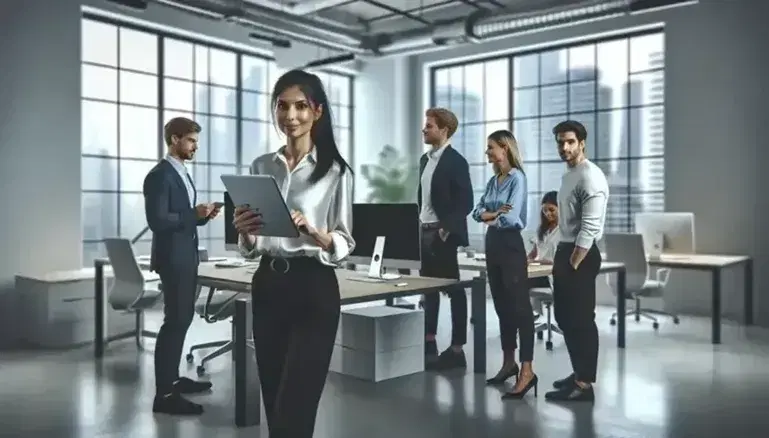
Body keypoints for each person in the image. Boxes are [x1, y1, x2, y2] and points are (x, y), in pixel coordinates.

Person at [232, 69, 354, 438]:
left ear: (317, 111)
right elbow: (252, 250)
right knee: (274, 400)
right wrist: (246, 233)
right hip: (268, 283)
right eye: (282, 106)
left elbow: (345, 241)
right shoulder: (260, 166)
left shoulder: (335, 171)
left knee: (296, 405)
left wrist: (319, 235)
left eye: (301, 106)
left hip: (313, 288)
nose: (291, 116)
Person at [143, 117, 222, 415]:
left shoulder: (182, 173)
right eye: (191, 140)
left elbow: (181, 217)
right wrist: (193, 213)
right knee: (175, 321)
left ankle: (173, 380)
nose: (195, 146)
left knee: (182, 319)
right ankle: (164, 395)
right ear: (174, 139)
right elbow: (158, 221)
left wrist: (202, 216)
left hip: (185, 255)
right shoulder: (159, 176)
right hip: (173, 258)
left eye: (196, 141)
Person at [544, 120, 609, 403]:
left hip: (580, 254)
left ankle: (584, 385)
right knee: (565, 318)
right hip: (567, 251)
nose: (564, 147)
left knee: (581, 320)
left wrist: (572, 263)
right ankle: (578, 372)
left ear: (582, 142)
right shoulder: (569, 174)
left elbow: (590, 227)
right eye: (560, 142)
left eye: (570, 141)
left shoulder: (589, 176)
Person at [471, 130, 538, 399]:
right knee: (501, 307)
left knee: (520, 309)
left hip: (510, 246)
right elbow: (476, 212)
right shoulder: (492, 181)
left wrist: (491, 216)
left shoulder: (517, 179)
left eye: (490, 148)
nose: (487, 153)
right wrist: (492, 215)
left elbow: (511, 219)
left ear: (504, 149)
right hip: (493, 246)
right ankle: (508, 363)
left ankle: (527, 370)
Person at [418, 107, 473, 370]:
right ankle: (429, 341)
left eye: (429, 126)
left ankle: (457, 349)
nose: (424, 129)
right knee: (428, 290)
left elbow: (466, 202)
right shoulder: (425, 160)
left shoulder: (456, 161)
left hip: (442, 234)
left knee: (453, 290)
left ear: (444, 130)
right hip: (423, 230)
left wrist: (445, 230)